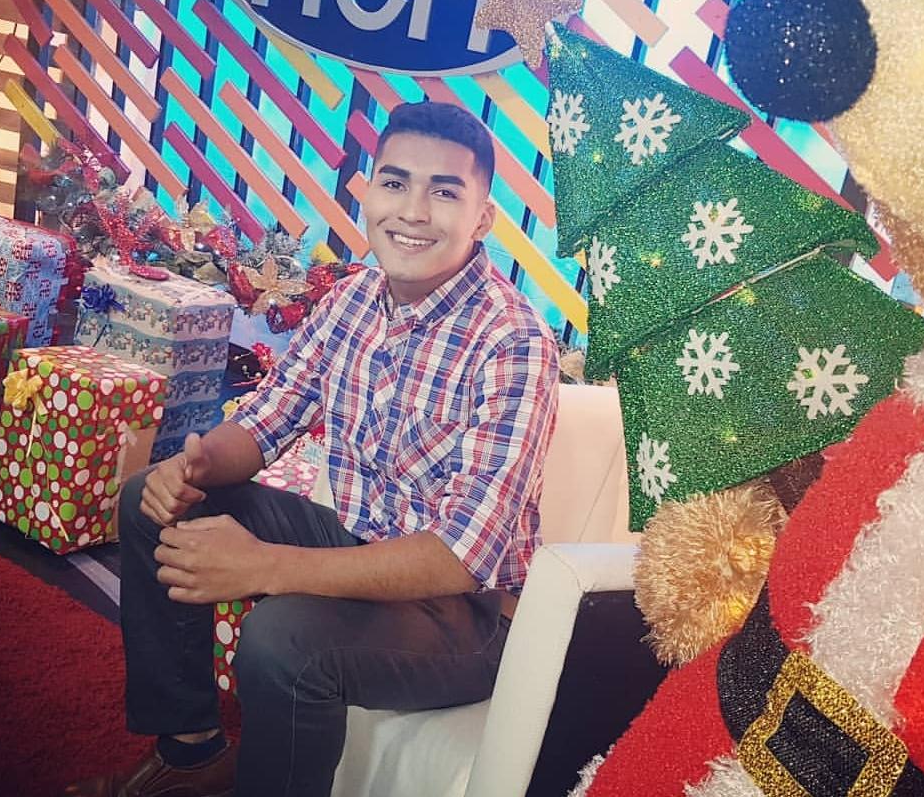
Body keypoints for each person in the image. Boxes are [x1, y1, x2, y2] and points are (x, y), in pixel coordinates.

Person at [64, 101, 560, 797]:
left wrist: (265, 565)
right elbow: (266, 422)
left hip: (466, 615)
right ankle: (191, 750)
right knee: (152, 501)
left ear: (482, 218)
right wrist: (197, 462)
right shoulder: (354, 299)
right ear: (367, 193)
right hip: (356, 539)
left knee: (282, 639)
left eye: (445, 192)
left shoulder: (514, 342)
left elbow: (460, 556)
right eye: (395, 183)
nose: (413, 211)